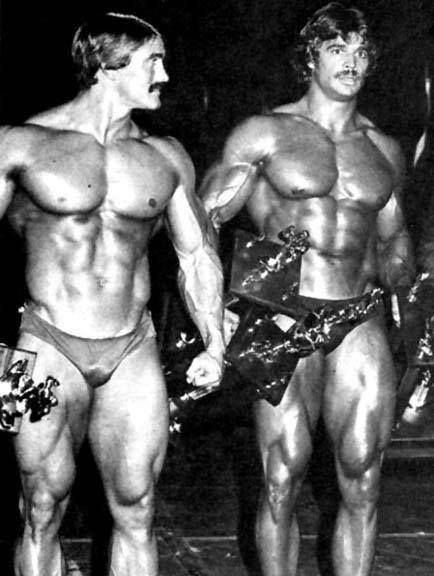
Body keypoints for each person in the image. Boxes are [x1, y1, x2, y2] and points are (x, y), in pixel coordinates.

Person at [0, 12, 225, 576]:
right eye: (154, 60)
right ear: (107, 65)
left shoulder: (166, 155)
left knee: (139, 509)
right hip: (40, 346)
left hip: (133, 348)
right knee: (40, 509)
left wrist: (215, 343)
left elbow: (196, 256)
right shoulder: (19, 143)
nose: (166, 75)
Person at [199, 3, 414, 575]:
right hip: (279, 312)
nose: (353, 61)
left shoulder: (383, 148)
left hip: (358, 317)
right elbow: (200, 224)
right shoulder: (265, 132)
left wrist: (417, 319)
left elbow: (394, 247)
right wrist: (214, 310)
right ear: (310, 57)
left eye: (362, 51)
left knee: (364, 474)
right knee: (280, 475)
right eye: (338, 48)